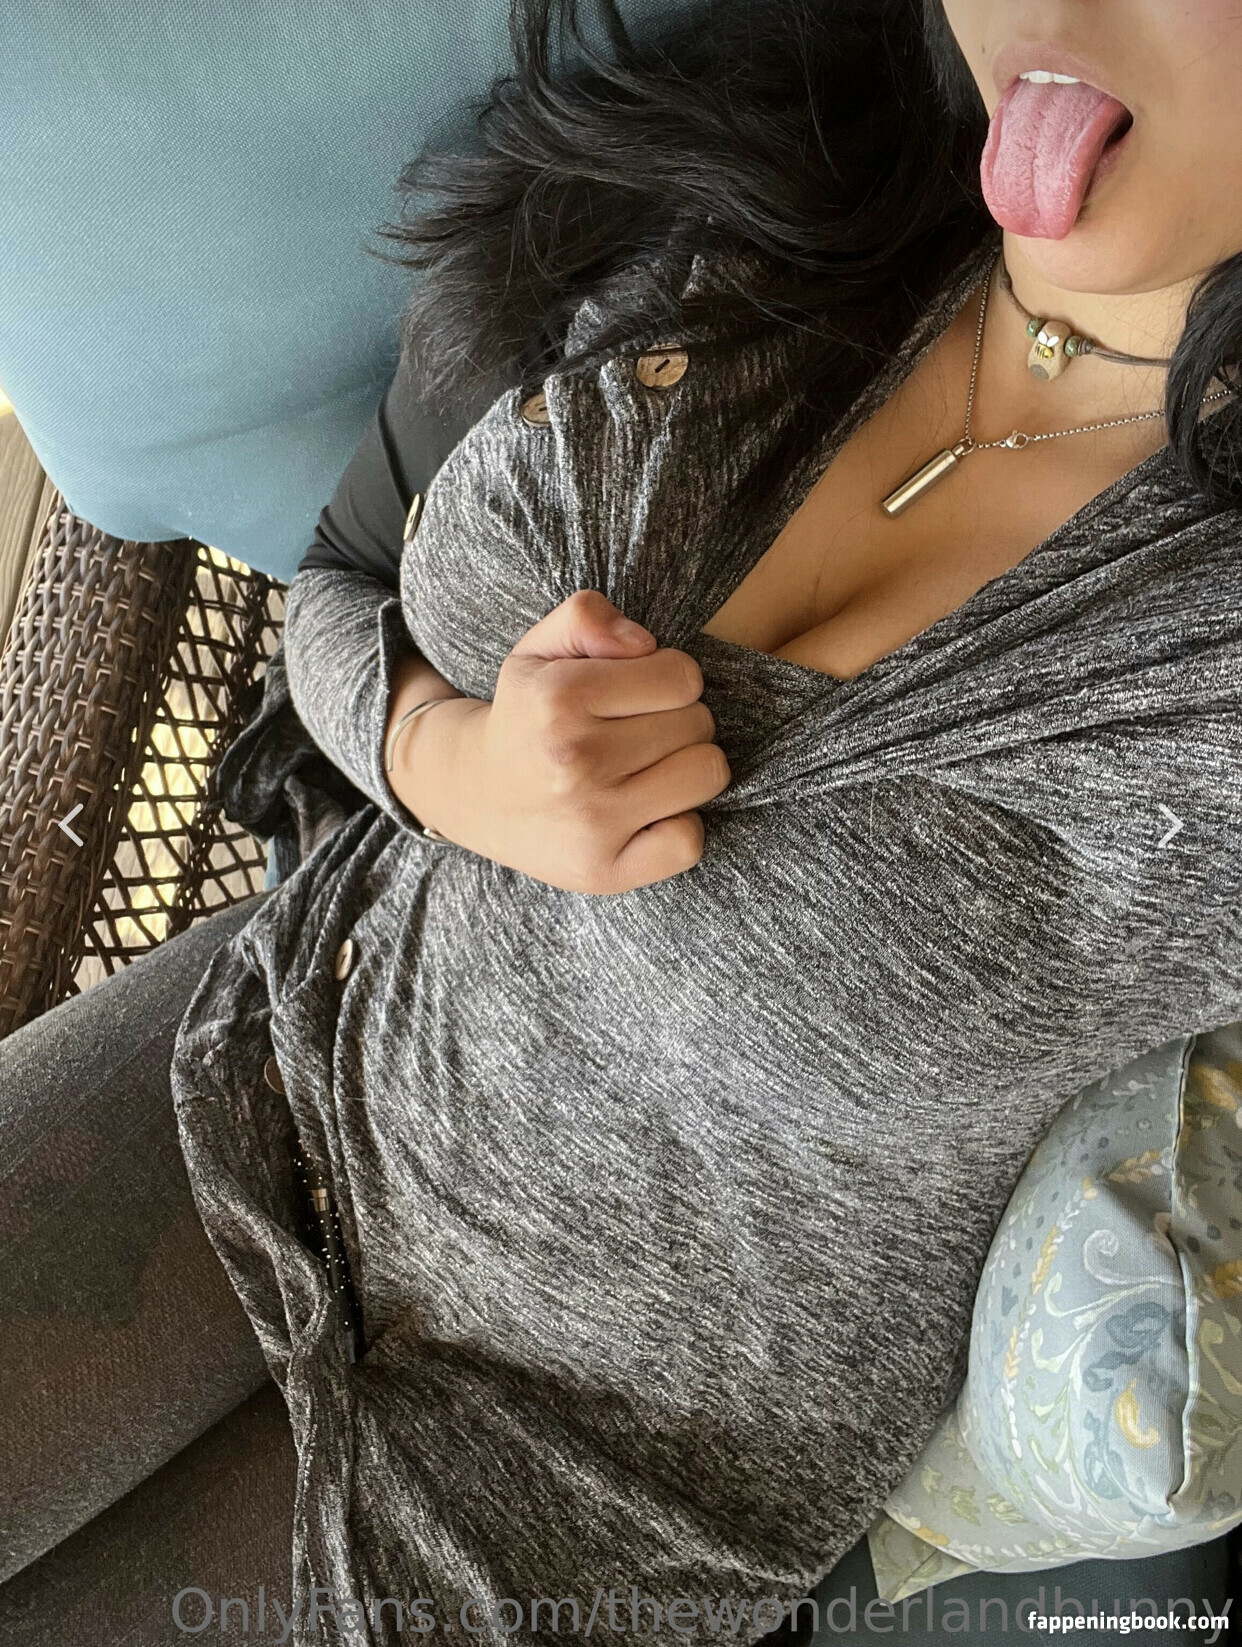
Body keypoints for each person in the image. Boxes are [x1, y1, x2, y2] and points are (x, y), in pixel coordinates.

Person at [4, 0, 1242, 1642]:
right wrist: (447, 757)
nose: (1047, 18)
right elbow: (345, 579)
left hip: (584, 1459)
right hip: (287, 1042)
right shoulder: (737, 186)